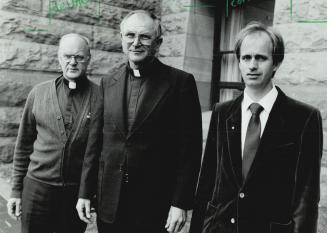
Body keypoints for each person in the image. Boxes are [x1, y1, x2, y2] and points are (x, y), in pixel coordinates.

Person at [76, 10, 203, 233]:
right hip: (110, 202)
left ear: (158, 42)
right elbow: (94, 144)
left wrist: (180, 203)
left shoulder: (180, 83)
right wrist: (85, 192)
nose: (136, 43)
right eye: (130, 35)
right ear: (121, 38)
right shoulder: (108, 82)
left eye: (144, 37)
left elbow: (190, 151)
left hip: (155, 204)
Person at [190, 22, 323, 233]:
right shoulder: (222, 112)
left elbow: (306, 198)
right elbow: (207, 181)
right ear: (239, 62)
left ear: (276, 63)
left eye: (261, 58)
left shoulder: (304, 118)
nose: (252, 65)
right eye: (246, 58)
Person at [7, 33, 99, 233]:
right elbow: (23, 145)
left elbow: (98, 154)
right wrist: (15, 191)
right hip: (36, 190)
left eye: (79, 57)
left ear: (88, 59)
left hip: (75, 194)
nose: (72, 62)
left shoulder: (100, 97)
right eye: (67, 56)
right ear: (59, 58)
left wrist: (88, 193)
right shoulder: (38, 93)